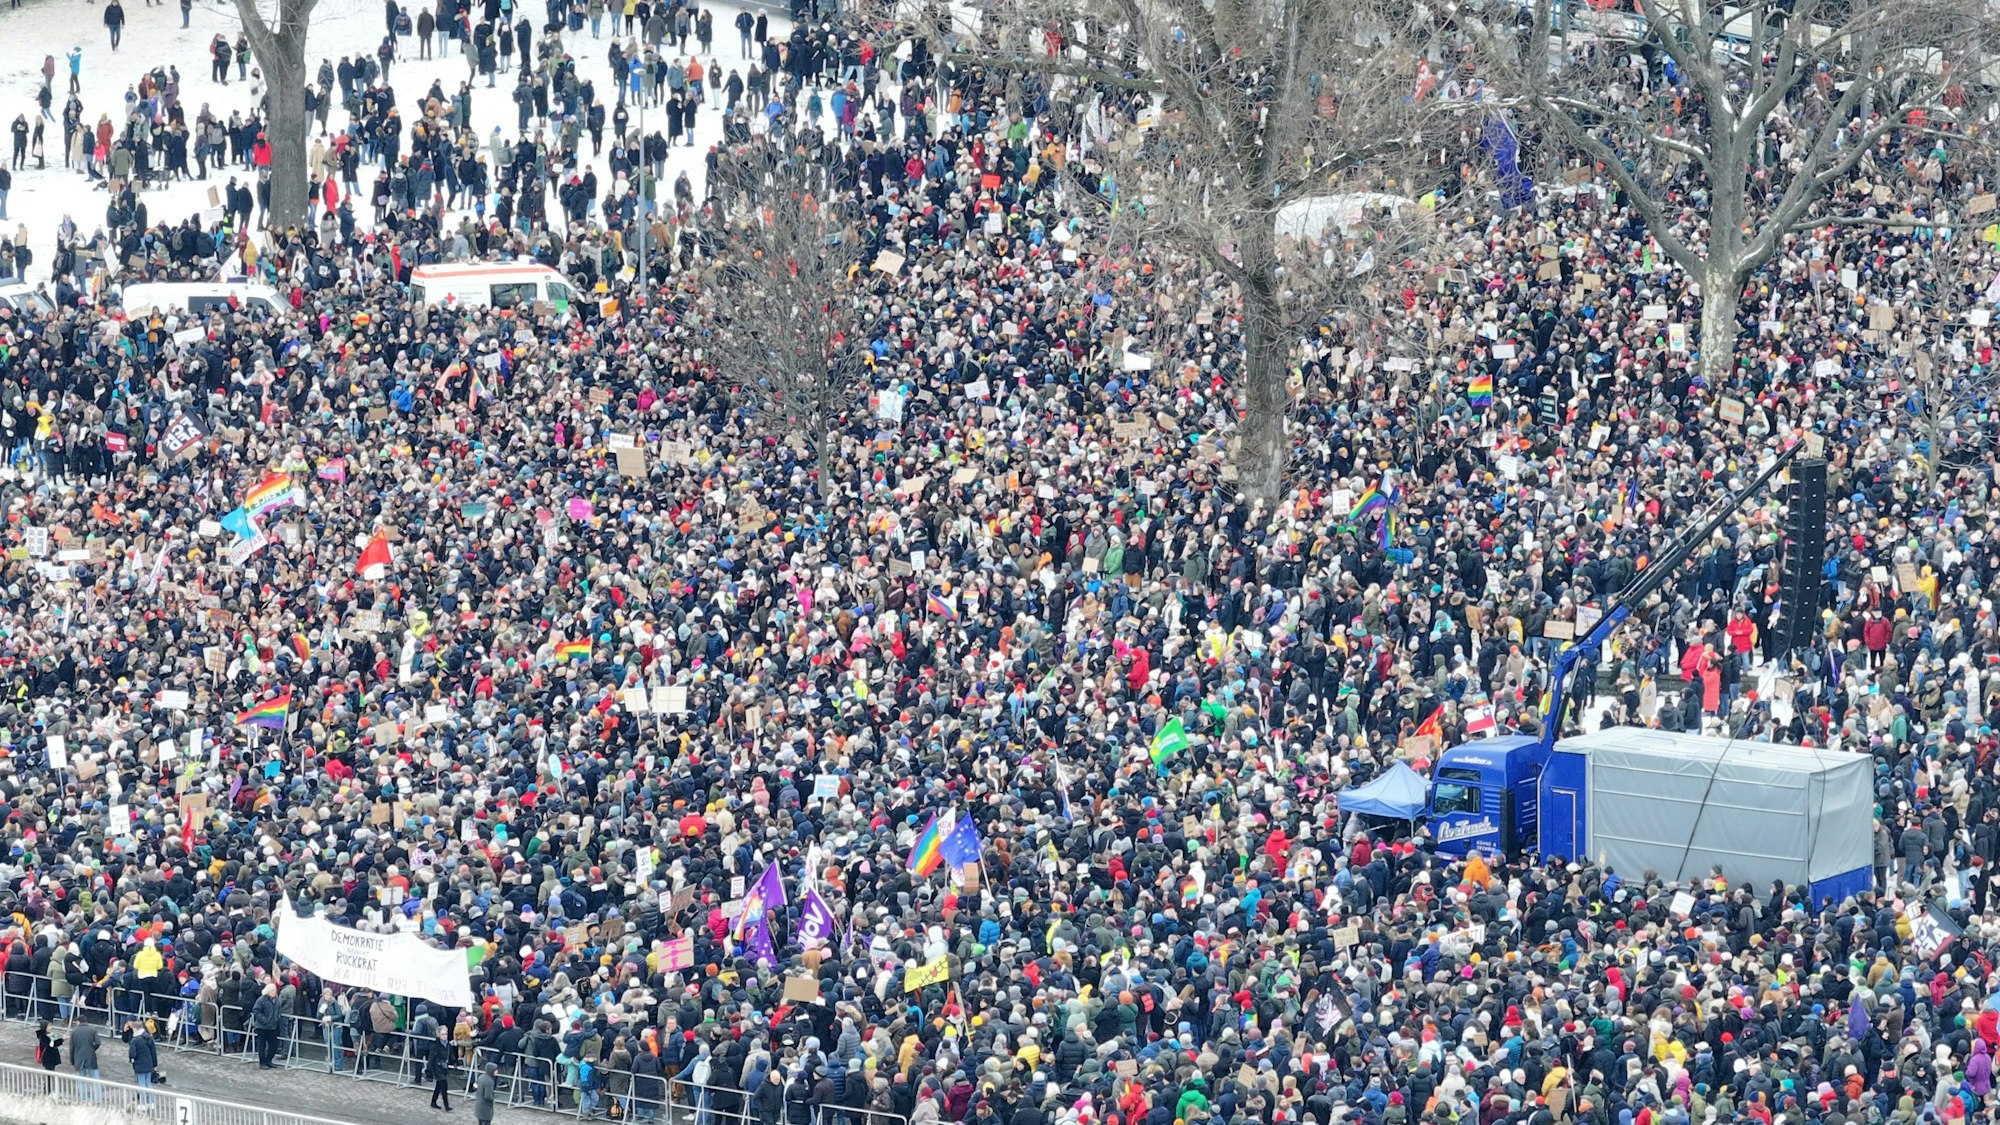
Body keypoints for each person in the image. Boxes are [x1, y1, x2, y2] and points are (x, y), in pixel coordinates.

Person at [251, 983, 281, 1068]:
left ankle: (269, 1060)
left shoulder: (277, 1000)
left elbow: (279, 1010)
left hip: (273, 1026)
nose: (274, 992)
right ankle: (262, 1062)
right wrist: (265, 1020)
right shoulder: (261, 1000)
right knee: (262, 1046)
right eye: (272, 990)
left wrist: (277, 1018)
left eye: (275, 990)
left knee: (274, 1045)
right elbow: (256, 1010)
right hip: (262, 1027)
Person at [126, 1022, 156, 1106]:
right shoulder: (148, 1037)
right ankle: (151, 1102)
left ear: (135, 1029)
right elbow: (153, 1051)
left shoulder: (134, 1040)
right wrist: (154, 1064)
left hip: (140, 1065)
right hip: (149, 1063)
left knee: (141, 1084)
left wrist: (131, 1059)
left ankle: (143, 1104)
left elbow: (132, 1054)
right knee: (148, 1084)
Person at [426, 1026, 453, 1110]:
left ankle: (433, 1102)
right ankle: (446, 1105)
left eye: (446, 1034)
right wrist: (429, 1071)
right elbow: (431, 1059)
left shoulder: (448, 1044)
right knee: (444, 1085)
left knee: (438, 1086)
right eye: (442, 1034)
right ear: (439, 1035)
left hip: (444, 1067)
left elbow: (450, 1054)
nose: (445, 1036)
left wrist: (455, 1061)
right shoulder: (435, 1045)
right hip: (437, 1068)